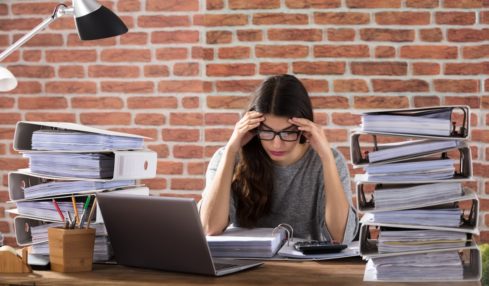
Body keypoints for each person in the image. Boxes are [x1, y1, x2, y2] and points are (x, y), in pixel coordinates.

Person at [199, 74, 357, 243]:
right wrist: (231, 151)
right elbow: (209, 228)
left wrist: (326, 157)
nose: (276, 144)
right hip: (243, 263)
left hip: (307, 267)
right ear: (253, 128)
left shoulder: (328, 160)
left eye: (288, 132)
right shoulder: (227, 157)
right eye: (267, 131)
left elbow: (341, 237)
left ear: (304, 128)